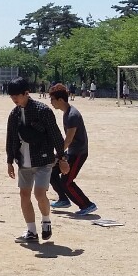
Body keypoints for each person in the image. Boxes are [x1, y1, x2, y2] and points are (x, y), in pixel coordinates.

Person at [5, 78, 66, 243]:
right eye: (12, 97)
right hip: (23, 161)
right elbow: (11, 138)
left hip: (43, 159)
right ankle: (31, 231)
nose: (14, 100)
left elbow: (55, 135)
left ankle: (46, 220)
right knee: (24, 194)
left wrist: (62, 157)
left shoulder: (43, 110)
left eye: (17, 96)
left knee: (39, 193)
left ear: (26, 93)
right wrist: (10, 160)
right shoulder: (14, 114)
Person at [47, 84, 97, 216]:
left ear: (60, 100)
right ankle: (63, 199)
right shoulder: (66, 113)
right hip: (72, 152)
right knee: (52, 172)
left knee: (67, 181)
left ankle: (87, 205)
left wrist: (58, 155)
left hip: (79, 153)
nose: (50, 102)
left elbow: (68, 140)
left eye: (52, 99)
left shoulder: (72, 115)